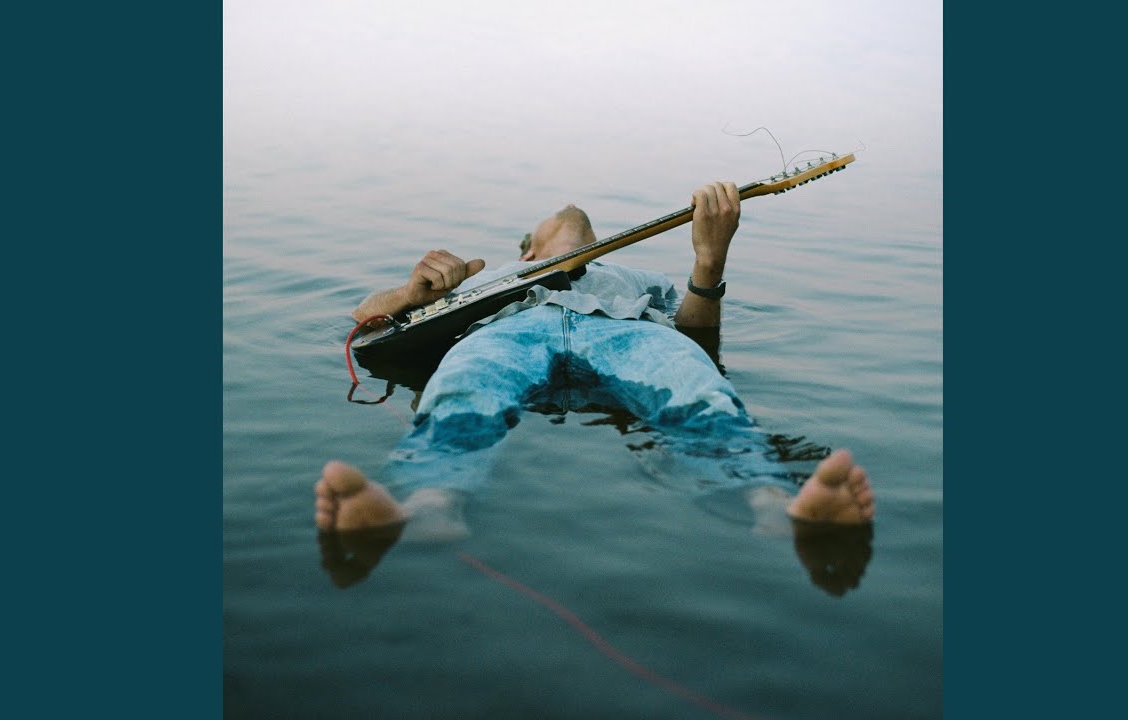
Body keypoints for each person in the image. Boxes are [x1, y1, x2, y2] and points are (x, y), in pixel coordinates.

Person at [315, 182, 876, 590]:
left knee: (691, 383)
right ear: (528, 250)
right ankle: (430, 503)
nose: (571, 210)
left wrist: (709, 260)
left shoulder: (634, 277)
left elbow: (698, 337)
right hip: (509, 333)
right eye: (552, 222)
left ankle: (771, 500)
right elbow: (365, 318)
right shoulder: (486, 277)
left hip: (628, 333)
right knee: (466, 387)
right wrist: (410, 294)